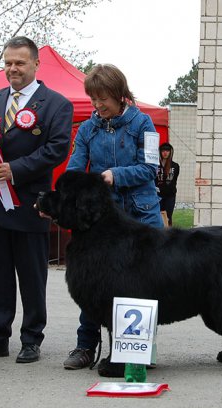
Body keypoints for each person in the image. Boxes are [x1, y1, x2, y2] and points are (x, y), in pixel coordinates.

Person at [0, 36, 73, 363]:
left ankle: (31, 339)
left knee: (31, 276)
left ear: (36, 64)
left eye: (20, 63)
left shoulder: (57, 104)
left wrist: (17, 169)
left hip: (28, 202)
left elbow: (56, 149)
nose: (13, 68)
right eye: (8, 62)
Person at [61, 64, 162, 374]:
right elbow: (74, 170)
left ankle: (139, 348)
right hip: (102, 221)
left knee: (146, 286)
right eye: (93, 99)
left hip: (141, 216)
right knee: (93, 284)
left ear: (120, 95)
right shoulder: (87, 130)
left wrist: (113, 176)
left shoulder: (145, 124)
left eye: (103, 98)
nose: (98, 106)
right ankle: (86, 345)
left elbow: (150, 170)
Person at [156, 142, 180, 226]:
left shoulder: (175, 166)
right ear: (160, 152)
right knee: (158, 216)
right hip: (158, 195)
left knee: (168, 216)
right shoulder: (156, 166)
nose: (165, 152)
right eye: (163, 150)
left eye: (167, 150)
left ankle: (169, 233)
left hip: (170, 196)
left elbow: (174, 180)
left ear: (170, 152)